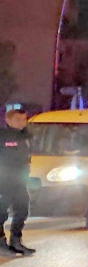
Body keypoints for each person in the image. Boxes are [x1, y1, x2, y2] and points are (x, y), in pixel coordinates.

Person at [0, 109, 34, 255]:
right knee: (1, 212)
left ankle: (16, 241)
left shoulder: (26, 137)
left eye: (24, 119)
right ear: (8, 120)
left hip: (20, 180)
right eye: (18, 119)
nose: (22, 122)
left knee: (22, 210)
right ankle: (1, 242)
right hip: (4, 181)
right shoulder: (2, 136)